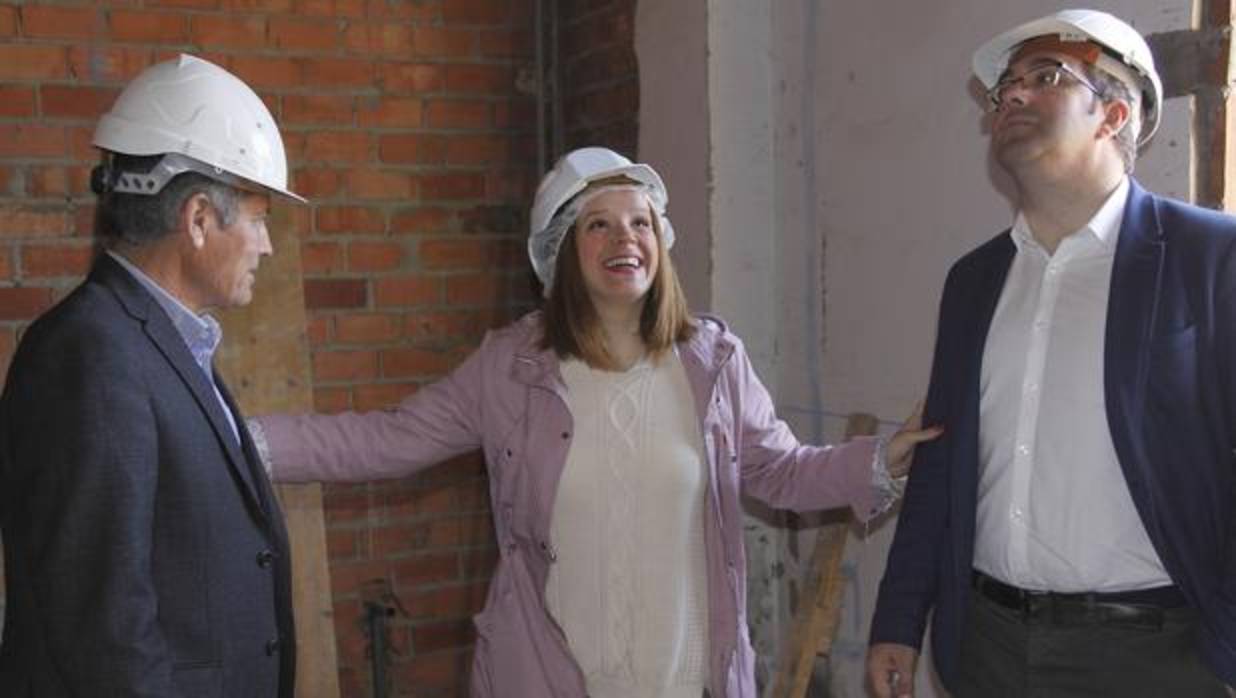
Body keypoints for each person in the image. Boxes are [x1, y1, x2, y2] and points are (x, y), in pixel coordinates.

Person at [250, 146, 941, 698]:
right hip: (549, 678)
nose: (625, 238)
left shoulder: (712, 361)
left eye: (640, 221)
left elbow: (778, 469)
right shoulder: (509, 369)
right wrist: (242, 438)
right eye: (598, 224)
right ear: (561, 252)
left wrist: (878, 461)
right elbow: (386, 438)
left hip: (686, 684)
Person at [867, 9, 1236, 698]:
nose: (1011, 94)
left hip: (1157, 657)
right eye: (1007, 84)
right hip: (987, 648)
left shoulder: (1209, 257)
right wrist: (898, 620)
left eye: (1046, 77)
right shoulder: (973, 281)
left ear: (1113, 115)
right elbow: (939, 464)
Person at [0, 54, 304, 697]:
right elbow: (105, 633)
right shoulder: (89, 357)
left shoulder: (160, 344)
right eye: (257, 218)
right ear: (197, 220)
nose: (266, 245)